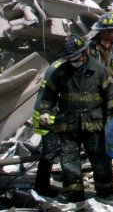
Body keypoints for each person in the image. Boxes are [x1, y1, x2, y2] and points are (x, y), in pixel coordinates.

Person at [38, 34, 113, 203]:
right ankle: (74, 192)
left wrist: (110, 119)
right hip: (68, 124)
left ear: (84, 52)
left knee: (99, 159)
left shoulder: (99, 70)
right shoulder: (61, 72)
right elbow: (49, 94)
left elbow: (111, 96)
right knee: (69, 160)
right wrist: (45, 110)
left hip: (94, 124)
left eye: (75, 57)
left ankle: (104, 191)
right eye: (70, 58)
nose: (73, 61)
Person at [32, 56, 65, 197]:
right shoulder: (62, 68)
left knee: (51, 152)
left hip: (47, 113)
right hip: (48, 116)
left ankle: (42, 186)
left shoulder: (59, 63)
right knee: (49, 153)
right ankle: (41, 188)